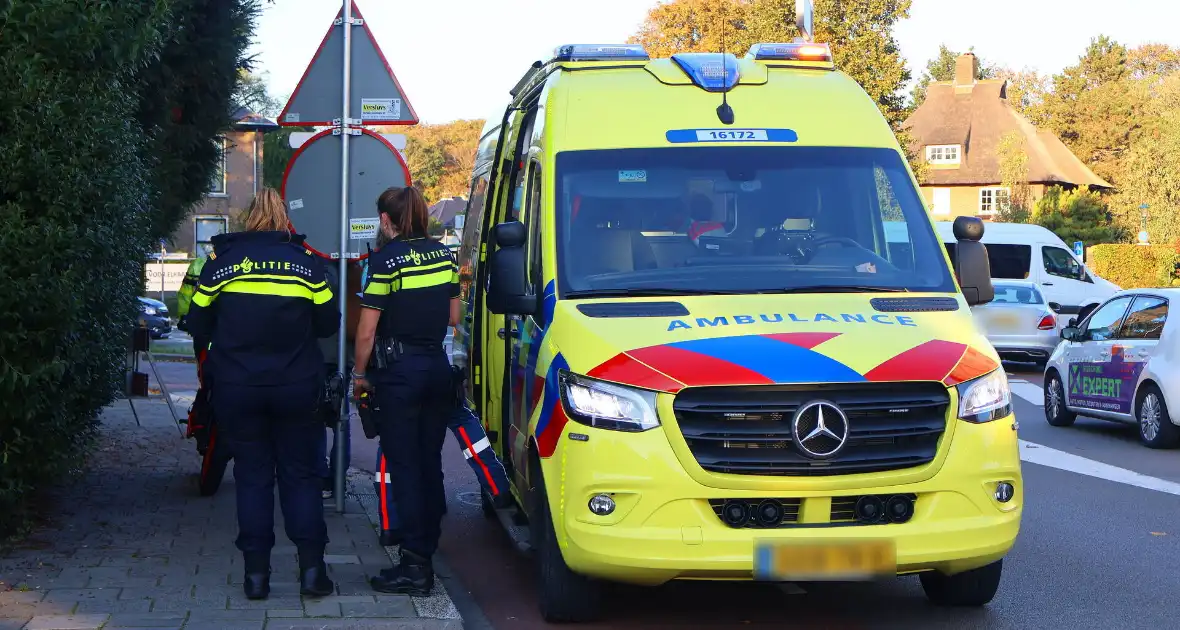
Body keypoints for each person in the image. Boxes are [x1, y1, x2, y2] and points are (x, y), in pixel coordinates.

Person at [185, 187, 340, 601]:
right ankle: (312, 573)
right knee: (302, 477)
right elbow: (328, 324)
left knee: (252, 478)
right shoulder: (308, 265)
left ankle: (256, 577)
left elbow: (197, 322)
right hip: (296, 388)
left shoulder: (220, 264)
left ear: (249, 218)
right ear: (284, 218)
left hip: (238, 389)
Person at [353, 186, 459, 596]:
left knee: (405, 467)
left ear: (386, 220)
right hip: (436, 368)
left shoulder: (384, 262)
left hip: (399, 374)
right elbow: (453, 316)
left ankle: (415, 568)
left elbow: (366, 331)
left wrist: (360, 375)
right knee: (429, 462)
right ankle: (428, 546)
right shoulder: (444, 256)